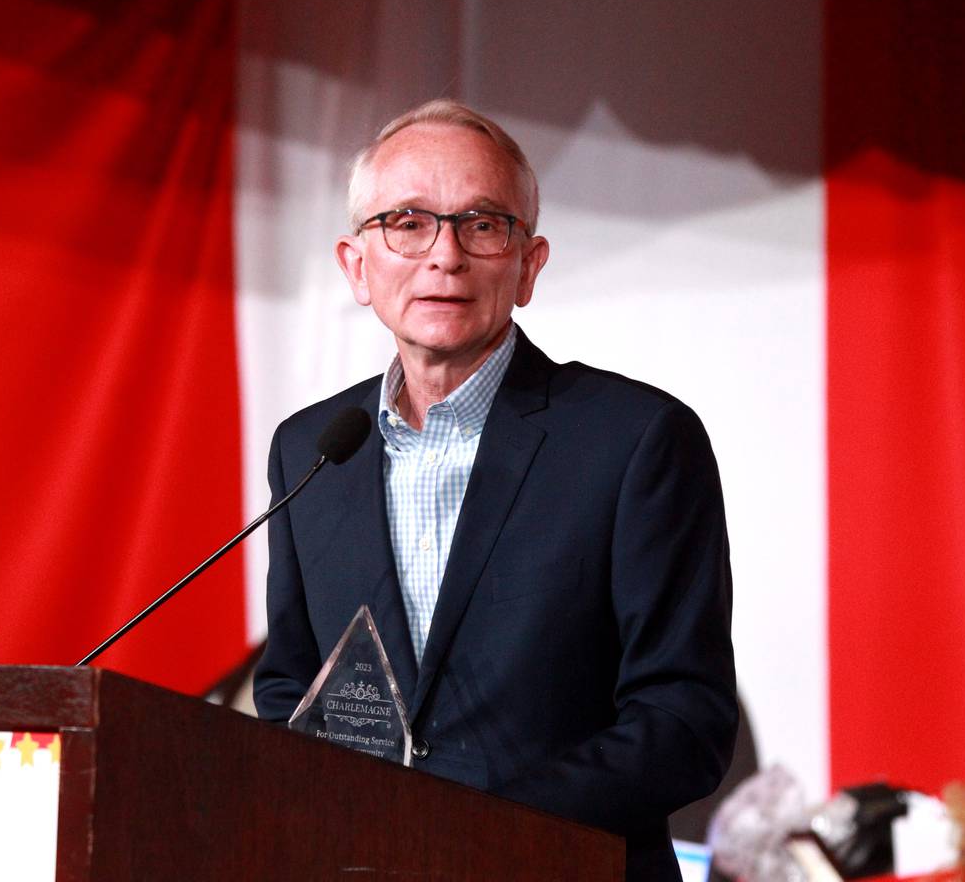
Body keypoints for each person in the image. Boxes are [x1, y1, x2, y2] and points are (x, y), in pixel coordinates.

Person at [254, 99, 736, 882]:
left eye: (482, 224)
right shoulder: (311, 449)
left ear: (529, 265)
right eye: (407, 222)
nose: (444, 255)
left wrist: (467, 829)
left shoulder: (635, 440)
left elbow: (684, 723)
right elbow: (290, 687)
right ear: (355, 265)